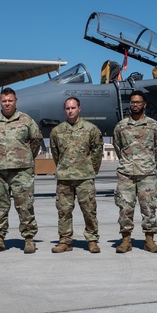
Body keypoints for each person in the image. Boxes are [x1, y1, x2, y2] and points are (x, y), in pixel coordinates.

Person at [0, 87, 43, 254]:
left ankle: (29, 239)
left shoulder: (26, 120)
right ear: (0, 102)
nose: (7, 103)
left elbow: (36, 140)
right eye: (4, 101)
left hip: (22, 171)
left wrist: (25, 158)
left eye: (10, 100)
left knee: (25, 206)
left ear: (16, 101)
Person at [112, 91, 157, 253]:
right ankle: (126, 240)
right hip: (126, 174)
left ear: (145, 104)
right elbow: (118, 147)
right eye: (132, 102)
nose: (135, 105)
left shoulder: (154, 126)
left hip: (147, 174)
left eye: (138, 102)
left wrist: (149, 164)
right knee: (125, 207)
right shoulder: (121, 126)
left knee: (149, 207)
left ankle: (149, 240)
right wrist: (128, 163)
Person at [49, 97, 103, 253]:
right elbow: (55, 153)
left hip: (84, 178)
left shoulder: (91, 129)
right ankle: (65, 241)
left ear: (79, 108)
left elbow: (97, 152)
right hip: (64, 178)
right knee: (64, 211)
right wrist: (64, 168)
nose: (70, 111)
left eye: (73, 108)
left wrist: (90, 170)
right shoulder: (57, 131)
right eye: (67, 108)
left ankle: (92, 240)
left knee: (89, 210)